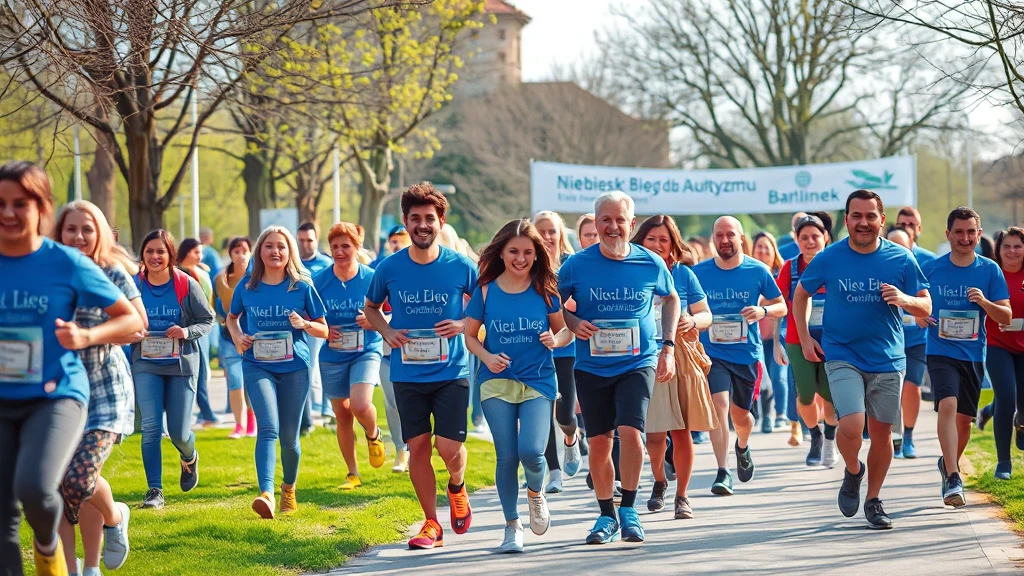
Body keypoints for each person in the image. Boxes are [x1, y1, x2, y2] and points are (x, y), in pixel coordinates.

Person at [0, 161, 143, 576]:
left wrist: (84, 337)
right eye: (0, 203)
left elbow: (133, 321)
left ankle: (59, 548)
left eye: (20, 203)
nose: (8, 213)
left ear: (41, 207)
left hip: (59, 393)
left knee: (44, 487)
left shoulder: (67, 263)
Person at [793, 189, 931, 530]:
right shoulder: (829, 257)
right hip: (842, 354)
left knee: (882, 433)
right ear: (846, 220)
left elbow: (926, 306)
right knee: (852, 424)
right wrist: (805, 337)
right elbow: (801, 295)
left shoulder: (901, 259)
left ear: (882, 220)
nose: (864, 222)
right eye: (857, 216)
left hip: (887, 357)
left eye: (871, 216)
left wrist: (904, 298)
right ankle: (853, 470)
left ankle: (873, 499)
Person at [559, 190, 680, 545]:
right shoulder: (576, 265)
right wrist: (572, 320)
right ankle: (605, 515)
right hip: (592, 365)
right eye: (605, 221)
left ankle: (628, 508)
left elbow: (671, 297)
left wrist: (667, 347)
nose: (613, 227)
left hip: (637, 362)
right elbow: (557, 304)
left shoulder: (649, 262)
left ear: (632, 223)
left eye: (619, 220)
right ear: (596, 224)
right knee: (598, 443)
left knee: (631, 433)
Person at [363, 182, 478, 550]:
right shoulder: (389, 267)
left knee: (447, 447)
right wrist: (386, 329)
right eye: (415, 219)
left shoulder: (461, 265)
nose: (423, 225)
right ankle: (431, 523)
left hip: (452, 371)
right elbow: (371, 308)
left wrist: (462, 325)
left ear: (441, 221)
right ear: (406, 222)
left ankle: (457, 484)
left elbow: (486, 305)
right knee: (417, 448)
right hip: (407, 372)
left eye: (430, 218)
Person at [464, 219, 572, 552]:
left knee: (532, 452)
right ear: (502, 252)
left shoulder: (545, 289)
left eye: (527, 252)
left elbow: (566, 331)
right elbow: (469, 336)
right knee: (507, 456)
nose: (521, 258)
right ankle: (512, 525)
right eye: (514, 251)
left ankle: (536, 494)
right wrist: (487, 355)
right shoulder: (486, 289)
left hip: (538, 379)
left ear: (537, 254)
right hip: (496, 381)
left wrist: (555, 339)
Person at [53, 201, 146, 576]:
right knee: (60, 488)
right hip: (57, 391)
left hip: (106, 392)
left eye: (87, 229)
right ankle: (83, 570)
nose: (78, 237)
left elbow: (138, 326)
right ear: (58, 233)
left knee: (79, 479)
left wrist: (88, 336)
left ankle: (115, 515)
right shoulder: (49, 274)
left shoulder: (111, 274)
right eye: (71, 229)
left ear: (101, 233)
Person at [227, 226, 328, 519]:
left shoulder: (302, 286)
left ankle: (288, 487)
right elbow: (232, 319)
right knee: (267, 428)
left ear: (289, 252)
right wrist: (237, 338)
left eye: (281, 247)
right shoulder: (247, 286)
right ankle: (267, 493)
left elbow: (324, 329)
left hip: (295, 367)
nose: (275, 252)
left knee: (289, 439)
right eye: (269, 246)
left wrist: (305, 325)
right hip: (257, 365)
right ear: (260, 251)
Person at [921, 208, 1010, 507]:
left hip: (973, 353)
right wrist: (919, 315)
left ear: (979, 233)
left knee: (964, 423)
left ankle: (948, 465)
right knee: (947, 404)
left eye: (971, 232)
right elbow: (915, 303)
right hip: (939, 351)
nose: (965, 238)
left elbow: (1006, 315)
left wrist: (984, 302)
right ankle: (954, 477)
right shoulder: (932, 269)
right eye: (958, 232)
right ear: (948, 235)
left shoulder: (989, 270)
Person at [692, 217, 787, 496]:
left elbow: (781, 305)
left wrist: (763, 312)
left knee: (742, 417)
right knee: (718, 404)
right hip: (712, 352)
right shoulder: (699, 273)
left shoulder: (757, 270)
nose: (724, 240)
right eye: (718, 235)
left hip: (746, 353)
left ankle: (742, 446)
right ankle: (723, 471)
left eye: (730, 235)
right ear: (713, 239)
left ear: (741, 238)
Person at [633, 215, 712, 519]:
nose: (656, 245)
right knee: (654, 434)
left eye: (663, 240)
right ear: (640, 241)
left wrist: (693, 320)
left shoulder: (683, 274)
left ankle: (682, 496)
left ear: (672, 245)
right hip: (643, 356)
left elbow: (706, 314)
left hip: (679, 358)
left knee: (681, 432)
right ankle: (659, 481)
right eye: (651, 239)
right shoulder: (631, 271)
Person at [130, 229, 214, 510]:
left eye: (160, 252)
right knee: (152, 427)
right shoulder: (134, 285)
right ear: (143, 254)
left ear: (170, 255)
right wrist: (132, 332)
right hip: (146, 364)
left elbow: (207, 320)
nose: (155, 257)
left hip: (181, 365)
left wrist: (185, 331)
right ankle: (155, 490)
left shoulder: (186, 284)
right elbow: (119, 318)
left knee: (178, 432)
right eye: (150, 251)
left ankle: (189, 457)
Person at [313, 222, 387, 490]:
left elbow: (392, 313)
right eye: (334, 247)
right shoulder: (320, 281)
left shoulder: (371, 277)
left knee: (360, 404)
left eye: (345, 246)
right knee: (342, 415)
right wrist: (323, 329)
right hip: (332, 354)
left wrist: (374, 320)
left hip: (365, 350)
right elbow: (312, 317)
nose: (340, 251)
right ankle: (352, 473)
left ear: (357, 247)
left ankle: (373, 433)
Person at [775, 214, 840, 468]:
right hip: (796, 340)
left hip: (832, 341)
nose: (810, 241)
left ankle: (830, 441)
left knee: (829, 394)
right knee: (805, 395)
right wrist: (776, 344)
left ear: (825, 237)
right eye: (804, 237)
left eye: (815, 236)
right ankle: (815, 434)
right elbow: (777, 304)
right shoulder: (790, 268)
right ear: (797, 240)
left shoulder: (837, 264)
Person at [533, 211, 583, 493]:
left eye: (552, 231)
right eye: (542, 231)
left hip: (566, 349)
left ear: (561, 235)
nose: (548, 237)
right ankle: (554, 472)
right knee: (543, 414)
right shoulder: (525, 265)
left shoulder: (572, 265)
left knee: (564, 415)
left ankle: (571, 437)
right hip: (536, 351)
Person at [977, 228, 1024, 480]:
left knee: (1021, 403)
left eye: (1018, 246)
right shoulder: (992, 274)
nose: (1012, 251)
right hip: (997, 345)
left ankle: (1010, 419)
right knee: (1007, 397)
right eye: (1007, 246)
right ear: (998, 249)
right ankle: (1003, 463)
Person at [892, 211, 937, 459]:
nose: (907, 227)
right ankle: (893, 435)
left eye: (911, 225)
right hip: (886, 338)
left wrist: (924, 314)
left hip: (916, 339)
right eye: (902, 224)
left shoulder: (928, 261)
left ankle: (908, 436)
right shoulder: (878, 260)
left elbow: (933, 300)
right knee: (889, 390)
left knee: (911, 387)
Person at [371, 226, 413, 472]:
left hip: (420, 348)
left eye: (401, 240)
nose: (396, 245)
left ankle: (421, 446)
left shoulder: (420, 269)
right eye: (393, 241)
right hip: (389, 347)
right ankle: (401, 450)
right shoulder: (382, 267)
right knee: (392, 402)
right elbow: (370, 306)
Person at [214, 237, 257, 439]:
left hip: (252, 337)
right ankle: (239, 425)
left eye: (244, 250)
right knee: (235, 380)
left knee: (252, 381)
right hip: (228, 337)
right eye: (236, 250)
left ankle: (252, 420)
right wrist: (228, 322)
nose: (240, 254)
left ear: (250, 253)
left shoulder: (257, 277)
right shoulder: (220, 279)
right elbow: (215, 308)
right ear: (230, 253)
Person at [177, 238, 219, 428]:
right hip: (186, 328)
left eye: (201, 252)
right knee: (194, 371)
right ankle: (206, 412)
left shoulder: (202, 273)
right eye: (195, 252)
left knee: (202, 370)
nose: (199, 256)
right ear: (185, 252)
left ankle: (207, 412)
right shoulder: (178, 273)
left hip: (203, 328)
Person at [297, 221, 333, 434]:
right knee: (305, 370)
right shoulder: (292, 263)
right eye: (301, 240)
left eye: (309, 240)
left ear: (316, 240)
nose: (305, 244)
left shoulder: (326, 264)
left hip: (320, 324)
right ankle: (307, 419)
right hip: (299, 325)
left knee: (321, 367)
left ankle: (328, 411)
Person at [751, 231, 788, 434]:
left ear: (774, 251)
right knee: (760, 376)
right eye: (759, 247)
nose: (763, 251)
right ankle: (761, 414)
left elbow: (782, 303)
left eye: (767, 247)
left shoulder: (780, 275)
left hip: (777, 336)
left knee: (778, 375)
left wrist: (764, 304)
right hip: (755, 336)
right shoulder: (746, 273)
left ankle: (779, 415)